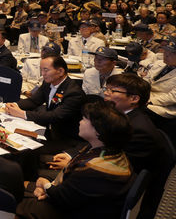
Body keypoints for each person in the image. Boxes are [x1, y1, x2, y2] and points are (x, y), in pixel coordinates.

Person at [47, 74, 174, 219]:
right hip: (95, 170)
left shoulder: (137, 129)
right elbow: (99, 142)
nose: (106, 94)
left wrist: (73, 163)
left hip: (103, 196)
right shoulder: (121, 118)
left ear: (134, 99)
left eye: (113, 91)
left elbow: (117, 168)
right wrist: (73, 157)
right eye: (106, 89)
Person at [16, 102, 133, 219]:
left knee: (11, 198)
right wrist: (46, 188)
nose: (80, 122)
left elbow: (61, 198)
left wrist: (44, 184)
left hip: (73, 212)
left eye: (84, 119)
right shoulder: (109, 150)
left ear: (98, 131)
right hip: (78, 201)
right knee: (19, 185)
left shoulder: (92, 170)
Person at [5, 55, 86, 146]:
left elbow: (55, 116)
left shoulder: (74, 93)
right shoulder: (48, 83)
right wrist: (13, 105)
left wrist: (22, 114)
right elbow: (33, 101)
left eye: (46, 70)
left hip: (66, 138)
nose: (42, 74)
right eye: (41, 70)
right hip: (49, 131)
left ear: (60, 71)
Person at [143, 36, 176, 142]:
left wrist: (149, 100)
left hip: (165, 106)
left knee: (138, 110)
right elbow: (146, 80)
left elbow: (172, 97)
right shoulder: (159, 63)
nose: (166, 55)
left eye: (171, 53)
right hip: (145, 96)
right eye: (165, 51)